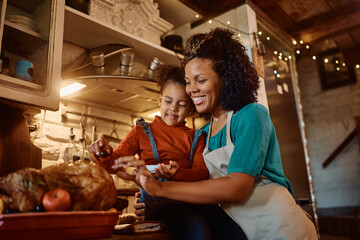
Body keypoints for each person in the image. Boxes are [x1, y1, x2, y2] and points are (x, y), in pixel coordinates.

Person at [112, 27, 318, 240]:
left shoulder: (251, 115)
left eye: (200, 80)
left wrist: (160, 190)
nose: (191, 89)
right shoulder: (201, 134)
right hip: (237, 229)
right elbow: (197, 188)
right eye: (188, 81)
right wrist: (155, 202)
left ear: (225, 78)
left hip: (277, 228)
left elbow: (237, 186)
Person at [89, 65, 246, 239]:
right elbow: (113, 164)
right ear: (159, 100)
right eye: (168, 101)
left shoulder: (196, 137)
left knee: (234, 233)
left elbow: (202, 174)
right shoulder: (141, 131)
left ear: (190, 108)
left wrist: (179, 173)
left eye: (182, 104)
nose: (173, 108)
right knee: (198, 229)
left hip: (192, 200)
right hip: (159, 204)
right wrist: (104, 153)